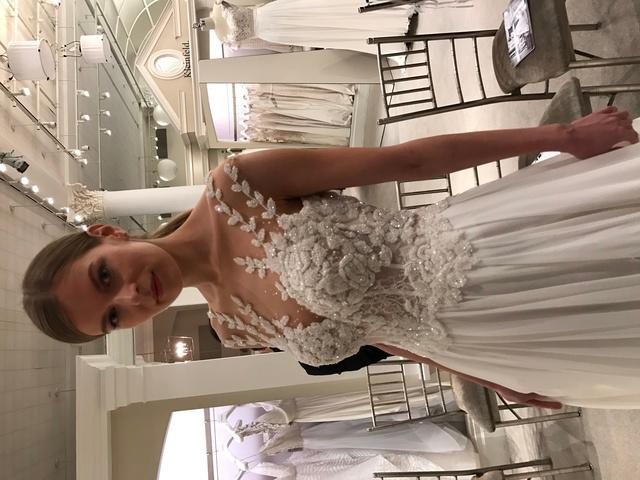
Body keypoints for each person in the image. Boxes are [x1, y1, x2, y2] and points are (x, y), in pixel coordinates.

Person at [23, 106, 640, 409]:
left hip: (493, 247)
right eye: (113, 316)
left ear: (108, 235)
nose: (131, 297)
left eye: (105, 277)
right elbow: (387, 335)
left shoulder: (239, 185)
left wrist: (562, 137)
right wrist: (491, 378)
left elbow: (409, 161)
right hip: (497, 338)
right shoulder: (232, 328)